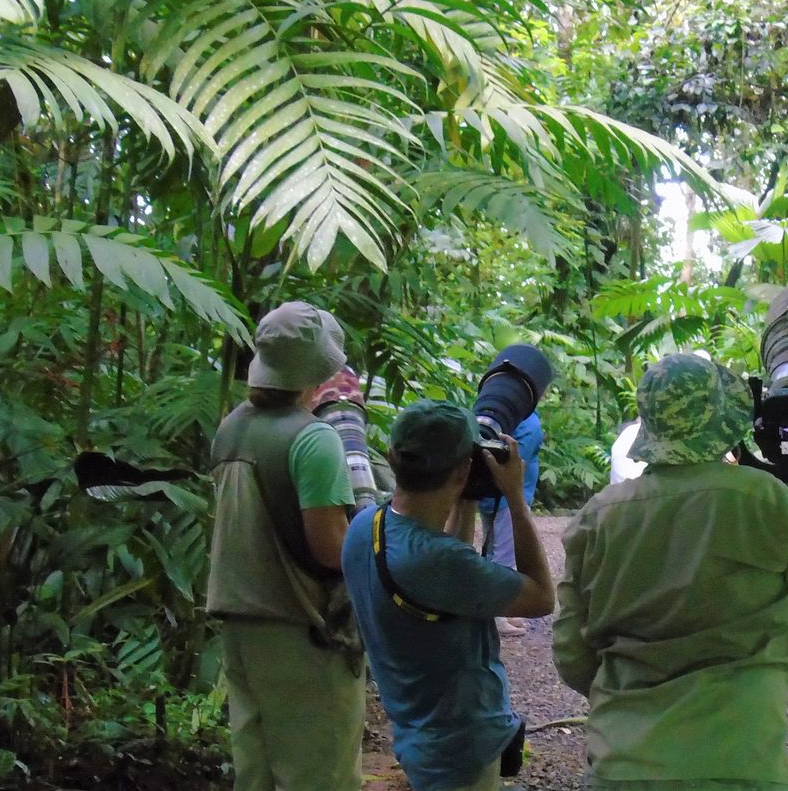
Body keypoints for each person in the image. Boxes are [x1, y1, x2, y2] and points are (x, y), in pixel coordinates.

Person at [553, 354, 788, 791]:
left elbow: (572, 657)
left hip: (624, 767)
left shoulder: (598, 518)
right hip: (746, 766)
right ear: (725, 420)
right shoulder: (768, 501)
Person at [341, 400, 556, 791]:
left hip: (418, 735)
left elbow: (448, 575)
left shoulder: (364, 528)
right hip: (460, 749)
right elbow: (542, 597)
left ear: (392, 457)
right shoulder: (437, 562)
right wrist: (514, 496)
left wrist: (467, 495)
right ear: (464, 469)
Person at [206, 301, 364, 791]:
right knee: (319, 772)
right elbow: (329, 550)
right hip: (299, 630)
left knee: (255, 769)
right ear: (319, 370)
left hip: (238, 623)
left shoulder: (232, 425)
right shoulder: (313, 440)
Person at [478, 410, 544, 635]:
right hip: (509, 497)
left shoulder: (499, 413)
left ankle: (497, 611)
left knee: (492, 555)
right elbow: (517, 460)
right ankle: (496, 618)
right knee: (505, 557)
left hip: (493, 496)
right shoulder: (526, 420)